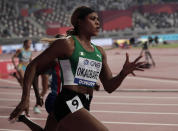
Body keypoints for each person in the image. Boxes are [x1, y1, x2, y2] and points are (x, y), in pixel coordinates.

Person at [9, 6, 145, 131]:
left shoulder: (99, 52)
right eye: (93, 19)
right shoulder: (67, 44)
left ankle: (24, 120)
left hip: (85, 102)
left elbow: (109, 86)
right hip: (68, 100)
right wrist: (25, 98)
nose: (98, 22)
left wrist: (123, 73)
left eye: (98, 19)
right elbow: (33, 66)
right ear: (79, 22)